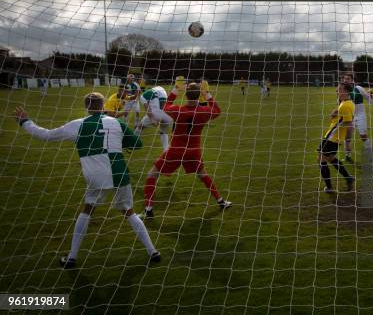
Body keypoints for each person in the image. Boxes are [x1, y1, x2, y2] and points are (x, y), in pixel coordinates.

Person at [14, 93, 160, 268]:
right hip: (120, 172)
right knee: (129, 211)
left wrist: (25, 122)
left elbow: (47, 135)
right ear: (103, 104)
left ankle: (72, 257)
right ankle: (153, 251)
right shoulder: (116, 122)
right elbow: (137, 144)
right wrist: (117, 141)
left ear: (86, 107)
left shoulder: (78, 124)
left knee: (87, 210)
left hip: (95, 176)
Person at [141, 82, 231, 218]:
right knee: (203, 175)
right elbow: (217, 110)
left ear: (186, 95)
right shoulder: (204, 111)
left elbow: (165, 105)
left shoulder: (178, 110)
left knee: (151, 174)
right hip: (193, 151)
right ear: (199, 94)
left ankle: (148, 210)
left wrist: (176, 90)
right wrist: (207, 94)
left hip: (176, 150)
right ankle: (221, 201)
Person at [318, 83, 355, 193]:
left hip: (332, 137)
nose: (336, 91)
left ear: (346, 91)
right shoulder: (346, 103)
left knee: (321, 159)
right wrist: (336, 113)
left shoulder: (345, 105)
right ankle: (348, 178)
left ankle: (329, 187)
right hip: (336, 138)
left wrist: (347, 141)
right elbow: (344, 118)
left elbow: (348, 123)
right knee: (331, 158)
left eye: (339, 89)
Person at [341, 72, 373, 162]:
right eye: (345, 79)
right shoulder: (342, 90)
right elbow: (340, 104)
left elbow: (368, 98)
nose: (346, 80)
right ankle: (348, 155)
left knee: (363, 135)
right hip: (349, 116)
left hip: (360, 114)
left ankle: (370, 155)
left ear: (352, 80)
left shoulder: (358, 88)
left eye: (348, 79)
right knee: (347, 136)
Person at [135, 85, 172, 151]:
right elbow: (164, 102)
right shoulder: (159, 89)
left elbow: (147, 109)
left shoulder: (142, 97)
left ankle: (133, 140)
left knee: (140, 126)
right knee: (163, 130)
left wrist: (153, 120)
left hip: (156, 111)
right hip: (166, 110)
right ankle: (166, 149)